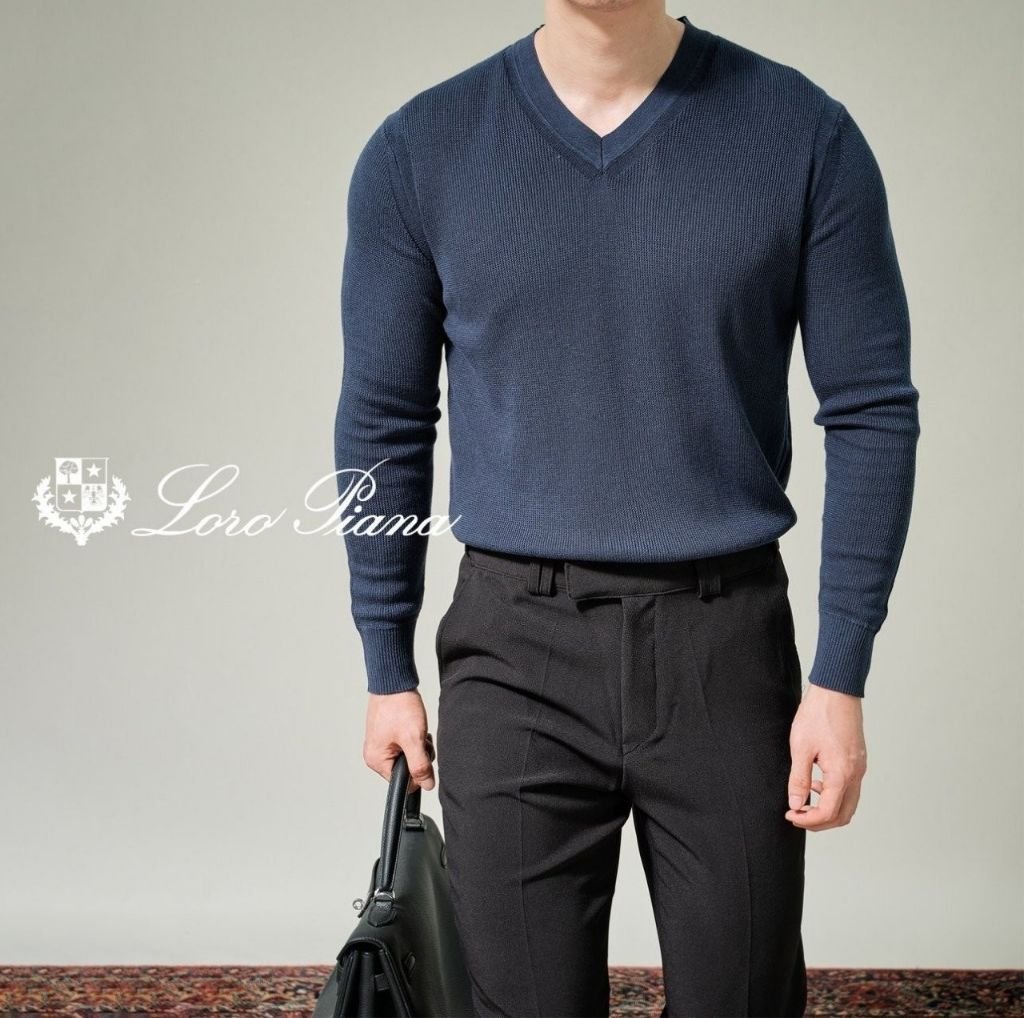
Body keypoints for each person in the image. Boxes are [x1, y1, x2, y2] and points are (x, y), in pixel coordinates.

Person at [334, 1, 920, 1014]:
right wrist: (385, 662)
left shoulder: (803, 136)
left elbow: (871, 410)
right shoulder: (421, 150)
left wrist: (840, 674)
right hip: (513, 651)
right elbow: (383, 421)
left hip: (724, 647)